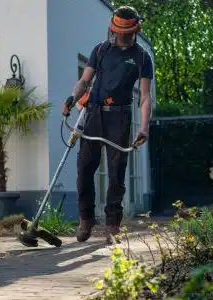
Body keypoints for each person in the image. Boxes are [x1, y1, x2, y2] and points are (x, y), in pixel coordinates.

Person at [62, 5, 154, 244]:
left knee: (116, 173)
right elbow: (84, 80)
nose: (120, 36)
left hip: (119, 118)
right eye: (116, 31)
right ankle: (86, 219)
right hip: (93, 115)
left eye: (125, 32)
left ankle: (113, 225)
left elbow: (145, 96)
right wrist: (72, 98)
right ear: (112, 29)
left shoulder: (142, 57)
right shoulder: (100, 50)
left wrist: (144, 126)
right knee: (84, 169)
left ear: (134, 30)